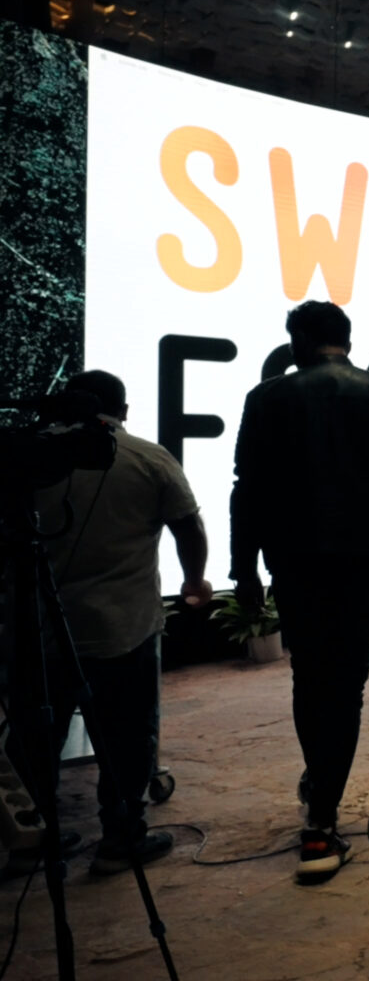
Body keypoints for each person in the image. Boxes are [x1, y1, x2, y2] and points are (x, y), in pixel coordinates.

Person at [231, 301, 369, 883]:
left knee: (309, 677)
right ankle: (320, 814)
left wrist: (243, 572)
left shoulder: (267, 398)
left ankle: (320, 793)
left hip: (294, 563)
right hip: (366, 561)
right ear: (346, 339)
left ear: (298, 342)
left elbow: (250, 491)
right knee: (347, 685)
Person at [29, 371, 210, 876]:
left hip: (40, 630)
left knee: (35, 738)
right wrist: (194, 580)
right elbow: (188, 525)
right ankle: (121, 838)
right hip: (123, 628)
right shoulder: (148, 458)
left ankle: (31, 837)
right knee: (127, 738)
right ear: (123, 411)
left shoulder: (29, 461)